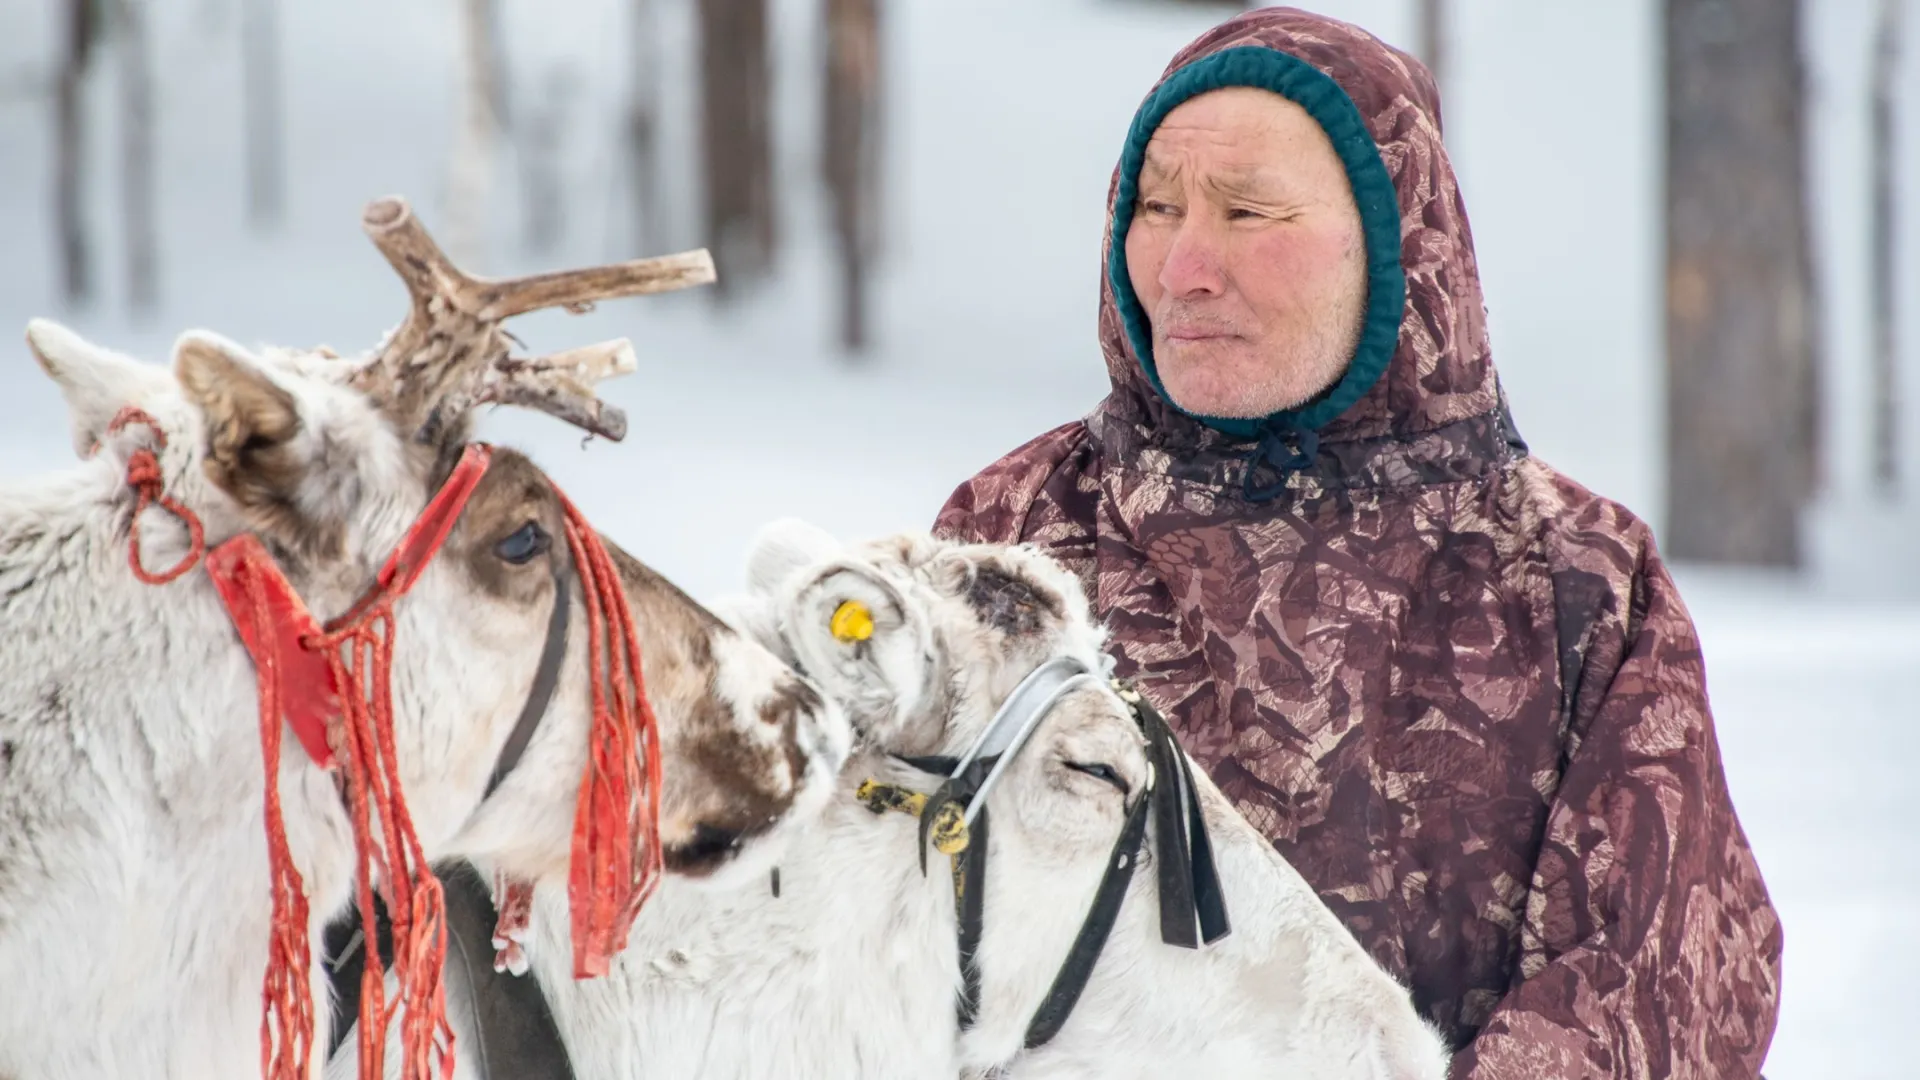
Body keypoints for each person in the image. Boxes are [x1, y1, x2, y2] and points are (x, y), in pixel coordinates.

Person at [933, 8, 1781, 1077]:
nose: (1184, 263)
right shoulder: (1018, 535)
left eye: (1247, 211)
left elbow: (1663, 979)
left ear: (1393, 244)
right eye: (1156, 207)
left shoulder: (1579, 580)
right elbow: (887, 929)